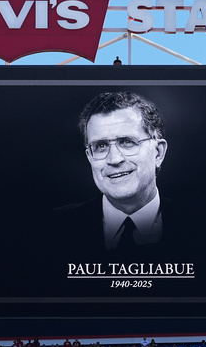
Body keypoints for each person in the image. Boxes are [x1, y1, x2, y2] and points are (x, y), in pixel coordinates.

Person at [55, 91, 170, 252]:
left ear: (158, 152)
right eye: (101, 146)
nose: (114, 159)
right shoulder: (51, 228)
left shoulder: (205, 225)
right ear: (89, 156)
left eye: (127, 142)